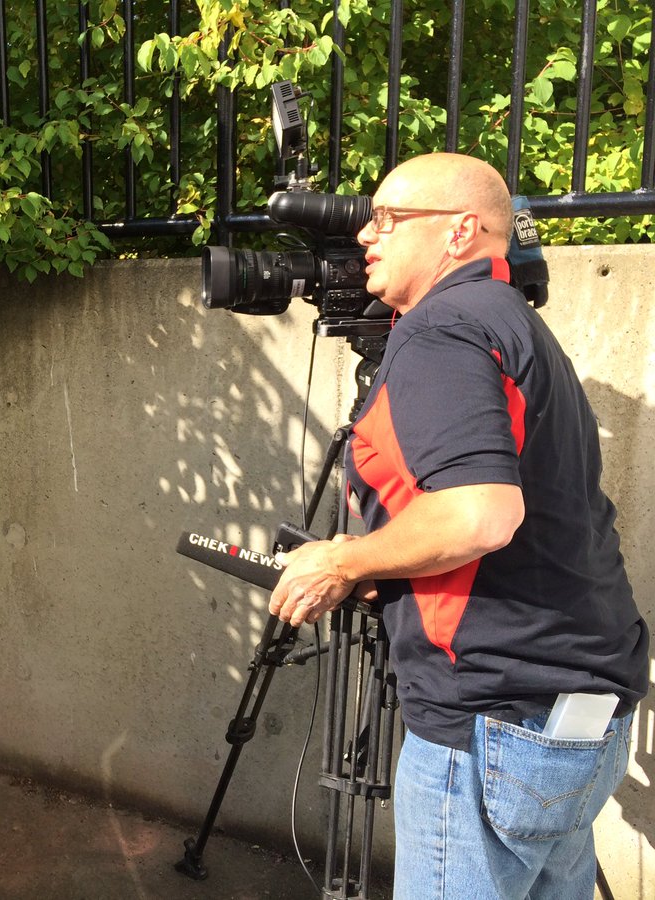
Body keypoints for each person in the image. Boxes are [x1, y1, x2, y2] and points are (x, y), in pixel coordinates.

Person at [268, 153, 649, 899]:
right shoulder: (510, 322)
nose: (365, 238)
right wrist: (386, 563)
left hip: (493, 725)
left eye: (387, 219)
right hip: (580, 716)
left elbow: (480, 513)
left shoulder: (442, 327)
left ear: (460, 232)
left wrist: (343, 563)